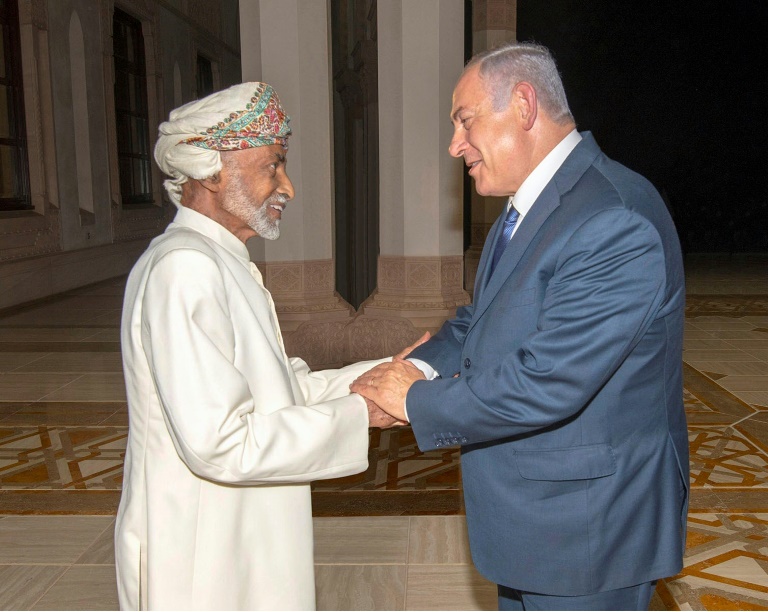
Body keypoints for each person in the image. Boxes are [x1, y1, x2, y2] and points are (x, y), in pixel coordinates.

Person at [352, 43, 689, 610]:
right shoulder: (527, 208)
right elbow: (482, 319)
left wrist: (415, 401)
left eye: (464, 120)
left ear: (524, 106)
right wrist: (422, 365)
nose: (455, 144)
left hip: (587, 534)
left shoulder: (612, 216)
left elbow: (549, 381)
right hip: (535, 520)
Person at [115, 82, 417, 610]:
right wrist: (359, 414)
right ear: (211, 171)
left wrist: (387, 374)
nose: (288, 187)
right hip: (204, 556)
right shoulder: (185, 269)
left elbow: (281, 390)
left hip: (238, 537)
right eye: (272, 166)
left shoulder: (219, 260)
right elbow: (219, 443)